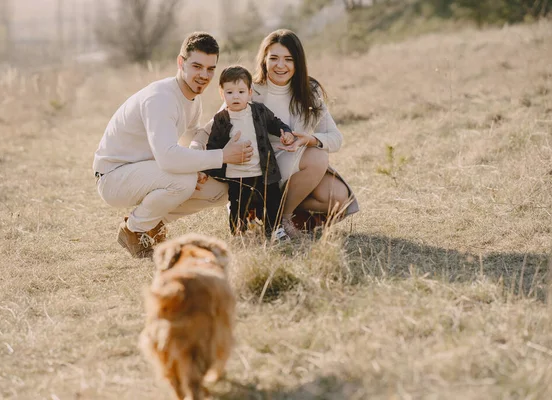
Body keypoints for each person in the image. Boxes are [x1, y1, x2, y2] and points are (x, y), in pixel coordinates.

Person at [93, 32, 253, 259]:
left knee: (221, 191)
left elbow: (193, 137)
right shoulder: (161, 98)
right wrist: (222, 156)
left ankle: (153, 224)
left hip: (147, 171)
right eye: (197, 66)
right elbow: (168, 158)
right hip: (113, 176)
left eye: (210, 69)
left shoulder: (193, 99)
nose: (204, 75)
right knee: (184, 179)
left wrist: (222, 120)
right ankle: (133, 230)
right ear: (181, 62)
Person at [194, 29, 359, 238]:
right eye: (274, 58)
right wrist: (195, 156)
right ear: (264, 60)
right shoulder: (250, 89)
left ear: (298, 62)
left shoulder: (309, 90)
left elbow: (336, 138)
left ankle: (275, 211)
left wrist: (310, 139)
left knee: (338, 198)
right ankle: (284, 218)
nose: (280, 66)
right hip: (259, 168)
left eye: (288, 59)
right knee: (318, 158)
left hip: (293, 164)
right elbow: (211, 128)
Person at [203, 65, 295, 240]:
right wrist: (207, 169)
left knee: (273, 202)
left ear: (250, 92)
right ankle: (239, 233)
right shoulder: (221, 119)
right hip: (236, 175)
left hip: (264, 171)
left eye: (241, 91)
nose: (235, 96)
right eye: (229, 92)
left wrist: (286, 132)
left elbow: (276, 123)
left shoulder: (258, 111)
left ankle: (275, 230)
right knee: (238, 205)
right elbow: (213, 146)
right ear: (222, 94)